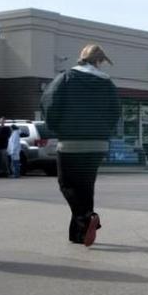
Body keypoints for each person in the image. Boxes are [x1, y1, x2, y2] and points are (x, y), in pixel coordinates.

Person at [40, 44, 120, 246]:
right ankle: (78, 234)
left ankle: (86, 217)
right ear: (99, 61)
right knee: (85, 186)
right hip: (98, 144)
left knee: (66, 184)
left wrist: (57, 128)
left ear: (80, 58)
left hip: (71, 142)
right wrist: (103, 131)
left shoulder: (66, 78)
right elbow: (115, 112)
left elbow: (49, 103)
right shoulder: (107, 83)